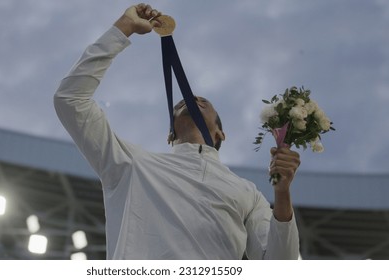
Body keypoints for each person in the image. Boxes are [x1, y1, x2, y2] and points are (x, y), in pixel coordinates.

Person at [54, 3, 300, 260]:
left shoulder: (247, 192)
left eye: (204, 102)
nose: (192, 98)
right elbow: (70, 99)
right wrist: (123, 27)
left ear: (220, 134)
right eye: (183, 103)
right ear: (170, 135)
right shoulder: (131, 164)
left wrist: (282, 194)